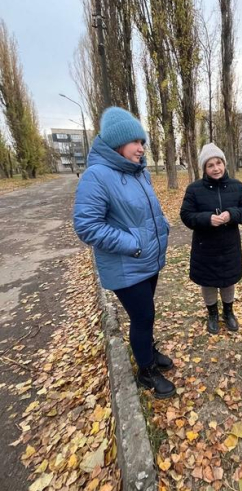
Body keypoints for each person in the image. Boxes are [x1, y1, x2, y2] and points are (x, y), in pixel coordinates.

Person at [73, 106, 175, 399]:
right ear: (118, 142)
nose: (142, 148)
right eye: (136, 142)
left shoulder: (138, 173)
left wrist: (162, 223)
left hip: (146, 261)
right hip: (126, 264)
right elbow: (87, 226)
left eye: (143, 142)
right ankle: (146, 371)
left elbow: (143, 212)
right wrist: (132, 243)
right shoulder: (97, 176)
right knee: (142, 316)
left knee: (146, 315)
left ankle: (149, 354)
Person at [180, 143, 242, 334]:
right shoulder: (194, 189)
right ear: (204, 168)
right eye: (210, 165)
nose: (216, 168)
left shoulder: (237, 186)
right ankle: (212, 313)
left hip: (229, 245)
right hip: (205, 246)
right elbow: (186, 215)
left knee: (229, 280)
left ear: (224, 163)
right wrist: (206, 219)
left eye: (218, 163)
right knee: (208, 282)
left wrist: (231, 214)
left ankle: (228, 312)